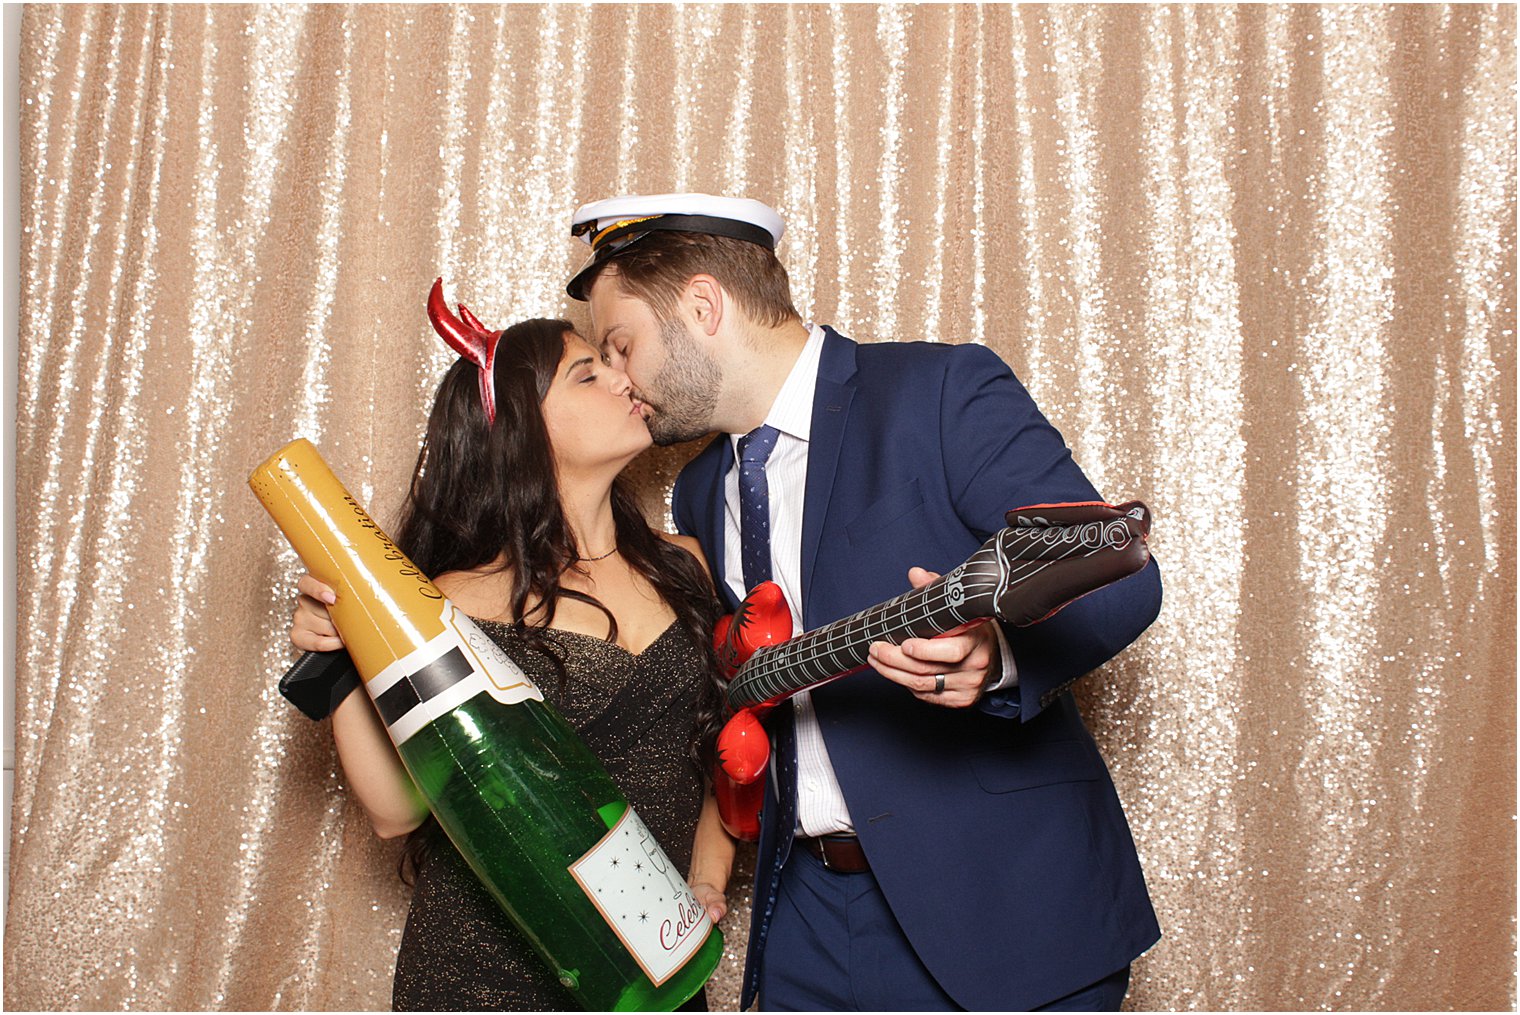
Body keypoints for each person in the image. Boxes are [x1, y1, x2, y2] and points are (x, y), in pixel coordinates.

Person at [564, 193, 1165, 1011]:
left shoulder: (940, 390)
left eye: (622, 344)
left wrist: (999, 658)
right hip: (808, 920)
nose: (621, 381)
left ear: (703, 305)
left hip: (998, 911)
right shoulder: (704, 490)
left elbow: (1120, 578)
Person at [287, 306, 736, 1011]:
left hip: (656, 967)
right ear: (523, 429)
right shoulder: (446, 604)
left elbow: (719, 752)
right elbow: (394, 810)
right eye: (589, 373)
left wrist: (708, 876)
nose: (625, 379)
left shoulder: (687, 565)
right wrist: (345, 656)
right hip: (487, 977)